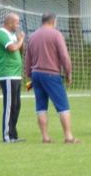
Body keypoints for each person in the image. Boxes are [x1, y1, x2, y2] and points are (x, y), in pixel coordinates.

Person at [24, 12, 79, 144]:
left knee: (41, 107)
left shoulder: (32, 36)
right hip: (51, 74)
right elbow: (64, 56)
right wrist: (68, 72)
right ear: (53, 21)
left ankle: (45, 137)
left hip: (36, 74)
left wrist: (29, 74)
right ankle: (68, 137)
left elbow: (27, 58)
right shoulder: (56, 34)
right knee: (63, 106)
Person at [0, 13, 25, 143]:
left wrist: (20, 41)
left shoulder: (12, 35)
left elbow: (20, 50)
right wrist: (21, 40)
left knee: (16, 105)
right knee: (9, 106)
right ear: (10, 23)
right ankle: (7, 136)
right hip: (7, 75)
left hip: (16, 74)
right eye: (17, 23)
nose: (18, 25)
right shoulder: (1, 34)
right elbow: (12, 48)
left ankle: (13, 135)